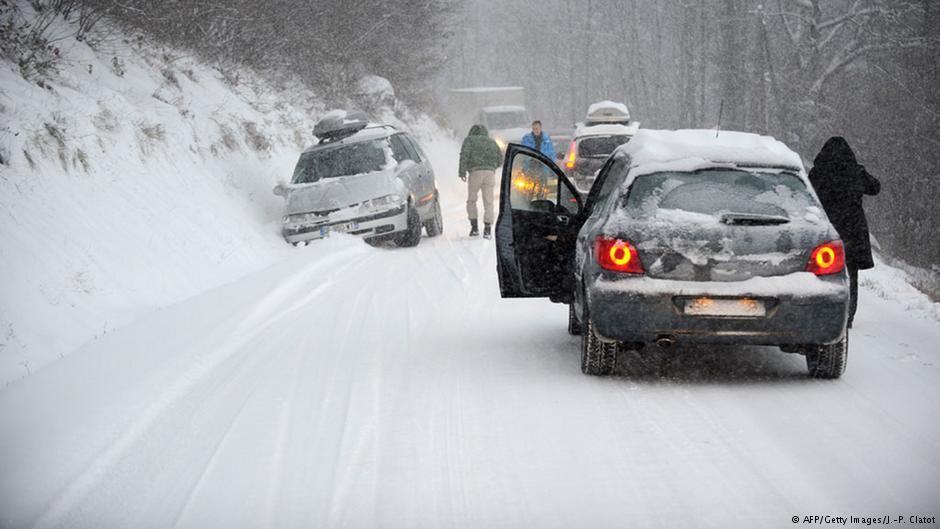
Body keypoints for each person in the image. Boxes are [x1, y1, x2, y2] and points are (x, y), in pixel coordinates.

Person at [808, 136, 881, 328]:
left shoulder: (819, 173)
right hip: (852, 231)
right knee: (851, 275)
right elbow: (875, 187)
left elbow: (808, 195)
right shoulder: (855, 173)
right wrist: (860, 171)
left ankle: (821, 310)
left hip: (827, 230)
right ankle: (848, 316)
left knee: (822, 272)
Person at [458, 124, 502, 238]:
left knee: (472, 200)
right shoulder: (492, 142)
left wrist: (462, 172)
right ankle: (487, 229)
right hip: (490, 174)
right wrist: (492, 167)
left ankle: (474, 228)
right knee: (488, 201)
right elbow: (500, 158)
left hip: (475, 173)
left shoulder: (469, 140)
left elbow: (464, 155)